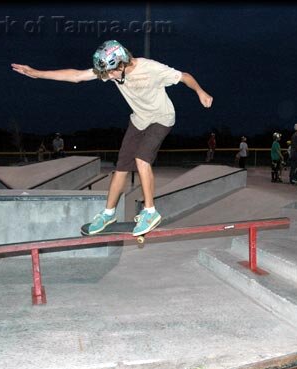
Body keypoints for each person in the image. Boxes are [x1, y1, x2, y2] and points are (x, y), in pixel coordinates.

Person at [12, 39, 213, 236]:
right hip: (139, 120)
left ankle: (150, 212)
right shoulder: (112, 71)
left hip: (162, 118)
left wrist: (200, 91)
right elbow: (77, 76)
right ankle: (108, 213)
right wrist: (37, 73)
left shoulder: (151, 68)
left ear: (122, 64)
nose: (108, 76)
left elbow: (184, 76)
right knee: (121, 168)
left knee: (141, 158)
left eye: (110, 72)